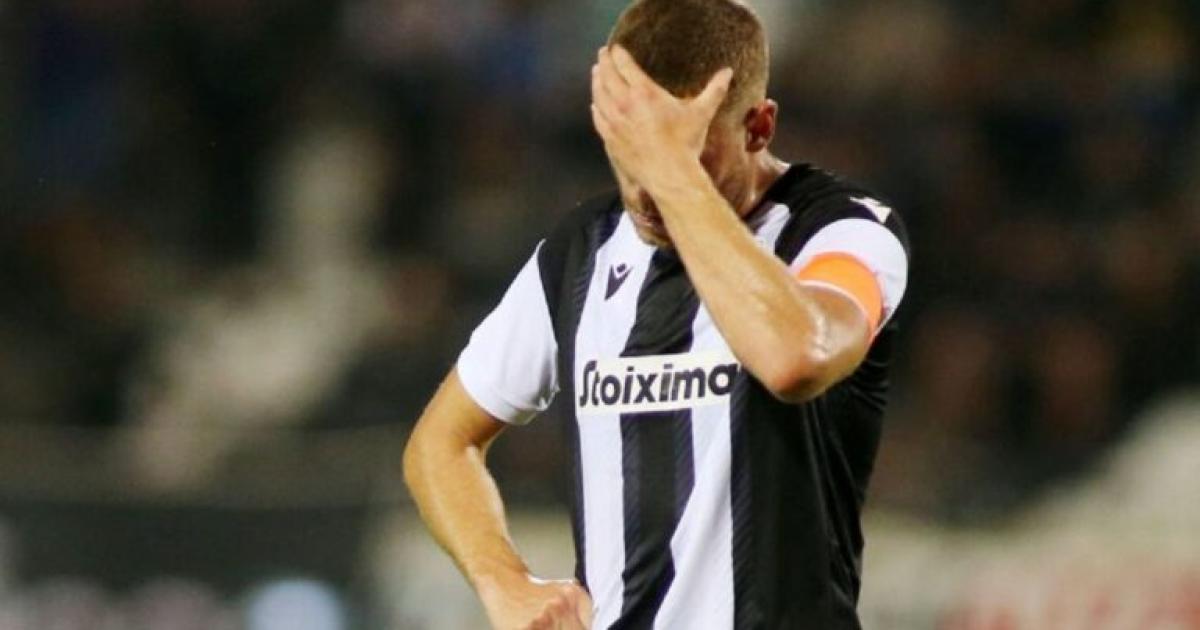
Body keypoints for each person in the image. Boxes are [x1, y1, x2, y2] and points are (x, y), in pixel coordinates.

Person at [403, 0, 910, 628]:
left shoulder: (841, 230)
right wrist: (503, 581)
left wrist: (673, 173)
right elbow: (440, 443)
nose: (645, 189)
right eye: (629, 152)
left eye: (685, 153)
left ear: (758, 127)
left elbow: (796, 357)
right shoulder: (579, 255)